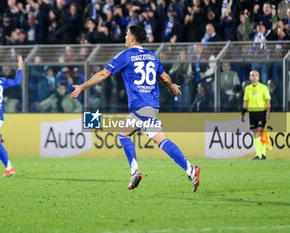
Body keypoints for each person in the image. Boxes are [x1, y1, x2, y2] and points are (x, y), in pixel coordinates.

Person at [71, 26, 200, 192]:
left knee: (161, 141)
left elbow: (104, 74)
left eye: (126, 35)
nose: (125, 37)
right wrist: (171, 86)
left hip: (141, 106)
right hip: (150, 106)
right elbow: (165, 77)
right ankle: (135, 171)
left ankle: (190, 169)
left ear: (132, 38)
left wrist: (82, 86)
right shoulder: (152, 56)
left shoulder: (125, 56)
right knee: (123, 134)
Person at [241, 70, 271, 160]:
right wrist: (243, 113)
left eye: (256, 75)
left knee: (260, 131)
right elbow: (246, 102)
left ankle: (261, 154)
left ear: (259, 77)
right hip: (252, 113)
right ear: (250, 77)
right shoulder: (248, 88)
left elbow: (268, 101)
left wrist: (268, 113)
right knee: (255, 133)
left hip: (261, 112)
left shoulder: (264, 88)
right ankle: (260, 154)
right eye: (253, 75)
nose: (254, 77)